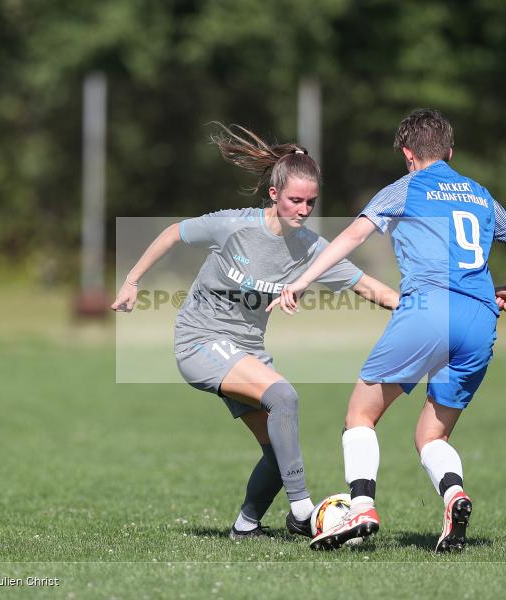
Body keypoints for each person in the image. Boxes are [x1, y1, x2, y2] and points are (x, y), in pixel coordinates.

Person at [271, 108, 506, 551]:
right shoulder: (480, 195)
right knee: (431, 435)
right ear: (450, 151)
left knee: (360, 414)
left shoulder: (405, 188)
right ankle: (455, 494)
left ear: (407, 152)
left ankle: (361, 508)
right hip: (479, 320)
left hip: (429, 309)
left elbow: (352, 237)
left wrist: (300, 281)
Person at [112, 124, 400, 540]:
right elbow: (173, 232)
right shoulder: (234, 226)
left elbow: (368, 286)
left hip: (245, 351)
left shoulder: (311, 250)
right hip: (199, 341)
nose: (303, 210)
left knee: (278, 452)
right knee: (284, 396)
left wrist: (421, 309)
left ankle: (245, 527)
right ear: (273, 194)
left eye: (311, 202)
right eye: (295, 200)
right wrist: (132, 280)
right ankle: (303, 513)